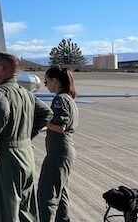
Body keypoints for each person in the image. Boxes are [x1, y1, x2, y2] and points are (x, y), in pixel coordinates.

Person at [0, 52, 53, 222]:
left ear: (2, 69)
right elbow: (47, 113)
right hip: (26, 155)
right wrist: (26, 136)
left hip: (6, 157)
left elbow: (2, 113)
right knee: (26, 209)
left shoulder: (0, 93)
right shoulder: (26, 93)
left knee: (5, 209)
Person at [37, 67, 79, 222]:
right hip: (64, 152)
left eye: (46, 81)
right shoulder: (69, 98)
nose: (46, 85)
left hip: (58, 153)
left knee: (47, 195)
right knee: (61, 194)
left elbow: (60, 127)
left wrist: (43, 122)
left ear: (55, 81)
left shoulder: (60, 99)